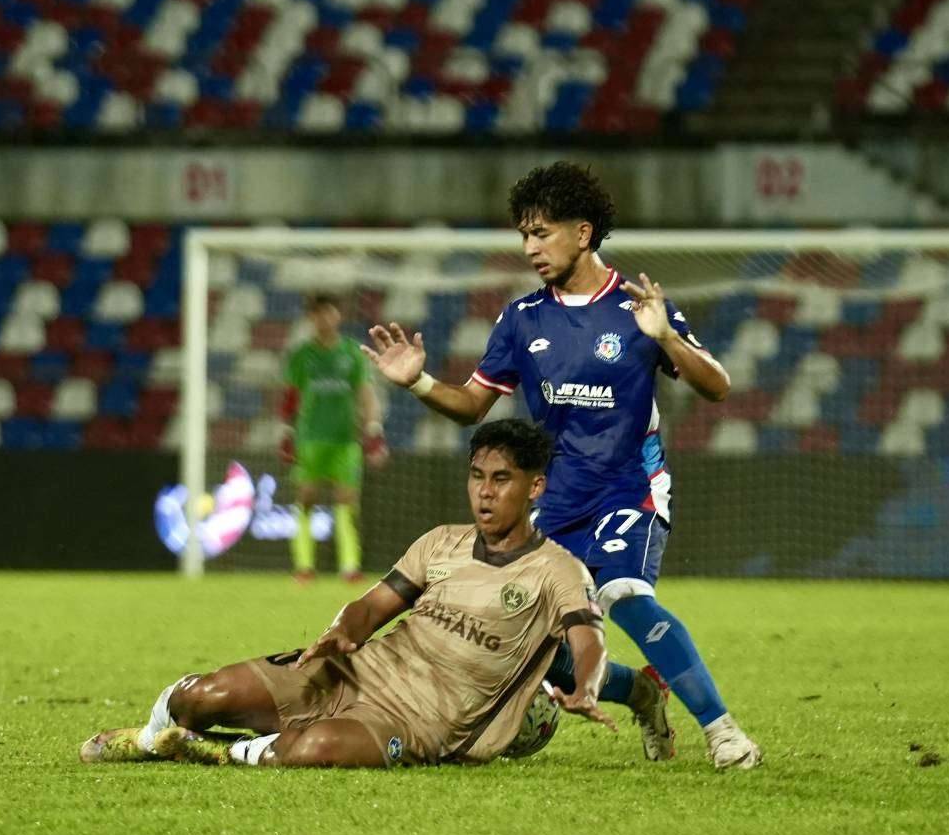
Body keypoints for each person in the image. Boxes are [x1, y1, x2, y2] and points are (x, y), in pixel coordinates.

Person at [361, 162, 762, 770]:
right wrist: (416, 381)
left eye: (541, 233)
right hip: (556, 500)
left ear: (582, 232)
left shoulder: (637, 308)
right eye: (525, 235)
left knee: (624, 593)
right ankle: (644, 693)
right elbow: (471, 405)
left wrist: (667, 338)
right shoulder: (523, 318)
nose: (530, 247)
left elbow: (719, 386)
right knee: (531, 646)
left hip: (629, 488)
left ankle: (723, 731)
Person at [80, 420, 649, 768]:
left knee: (313, 750)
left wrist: (587, 686)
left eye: (501, 480)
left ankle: (214, 752)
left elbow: (588, 641)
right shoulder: (441, 542)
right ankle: (153, 737)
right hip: (355, 672)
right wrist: (343, 630)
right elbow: (374, 605)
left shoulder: (558, 570)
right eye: (477, 476)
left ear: (535, 487)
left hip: (422, 724)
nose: (484, 492)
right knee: (204, 695)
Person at [280, 293, 388, 583]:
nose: (325, 319)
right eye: (319, 314)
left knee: (347, 501)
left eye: (330, 312)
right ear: (311, 318)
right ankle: (303, 566)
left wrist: (373, 430)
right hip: (310, 438)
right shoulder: (301, 355)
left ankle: (350, 567)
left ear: (338, 315)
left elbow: (367, 395)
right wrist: (287, 432)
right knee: (305, 498)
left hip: (345, 440)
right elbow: (290, 398)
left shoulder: (352, 353)